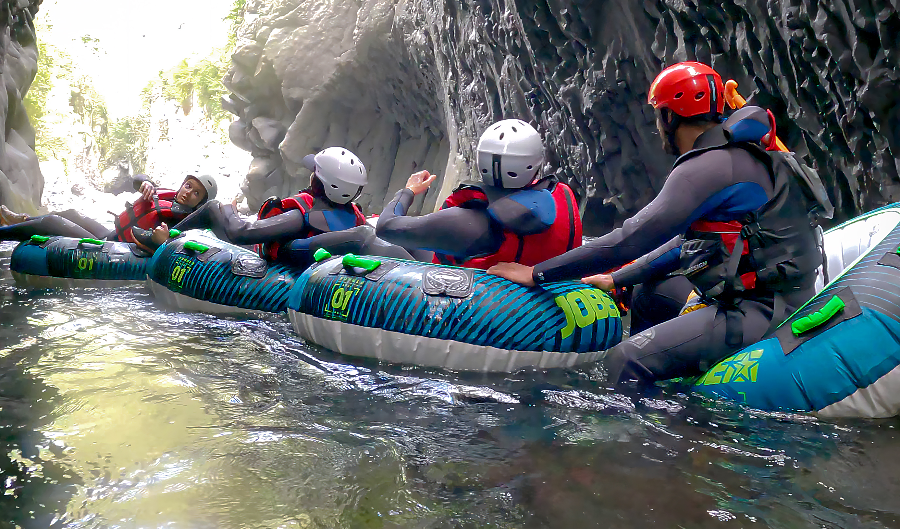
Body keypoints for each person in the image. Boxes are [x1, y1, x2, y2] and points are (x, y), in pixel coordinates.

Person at [487, 61, 830, 384]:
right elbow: (686, 241)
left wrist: (537, 273)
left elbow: (631, 239)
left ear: (669, 117)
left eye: (658, 116)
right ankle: (675, 373)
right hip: (776, 295)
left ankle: (656, 435)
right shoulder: (742, 153)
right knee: (648, 295)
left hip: (763, 311)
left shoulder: (705, 168)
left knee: (625, 359)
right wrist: (617, 278)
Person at [375, 119, 582, 268]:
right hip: (544, 299)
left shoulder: (465, 220)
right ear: (536, 165)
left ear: (480, 162)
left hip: (478, 310)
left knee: (369, 238)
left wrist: (408, 191)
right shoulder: (561, 196)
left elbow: (386, 226)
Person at [151, 147, 414, 265]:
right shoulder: (353, 216)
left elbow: (239, 232)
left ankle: (164, 238)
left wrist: (230, 208)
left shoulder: (301, 215)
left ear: (318, 180)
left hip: (249, 249)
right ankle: (169, 235)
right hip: (297, 248)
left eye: (314, 171)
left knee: (213, 208)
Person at [0, 173, 217, 252]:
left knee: (54, 222)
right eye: (188, 186)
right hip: (111, 234)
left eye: (196, 193)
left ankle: (3, 233)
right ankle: (24, 220)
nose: (188, 193)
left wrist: (163, 241)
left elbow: (174, 247)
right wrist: (146, 182)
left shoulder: (187, 224)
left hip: (116, 247)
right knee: (73, 213)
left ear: (200, 204)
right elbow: (137, 178)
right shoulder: (165, 195)